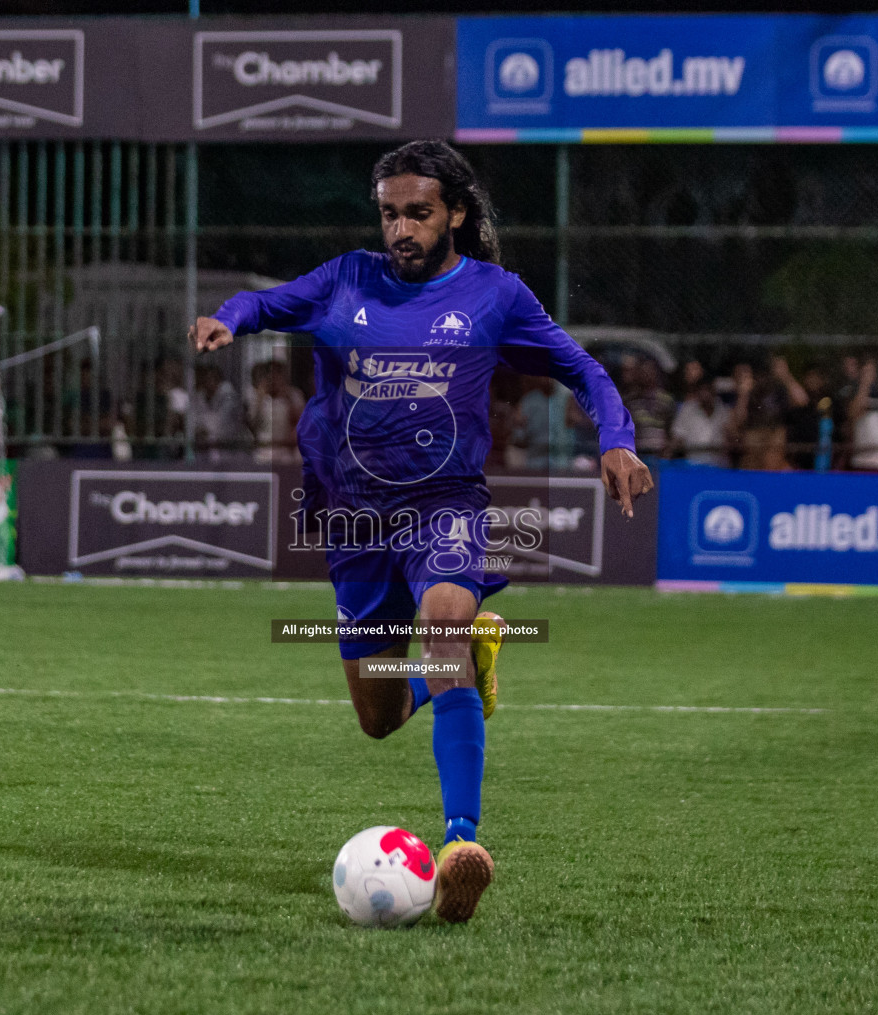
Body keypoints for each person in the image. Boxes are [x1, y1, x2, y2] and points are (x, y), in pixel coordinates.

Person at [189, 140, 649, 923]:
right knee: (377, 719)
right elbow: (263, 304)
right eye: (390, 214)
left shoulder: (495, 295)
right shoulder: (345, 279)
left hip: (446, 504)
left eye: (418, 214)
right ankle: (472, 654)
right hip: (354, 515)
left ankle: (461, 842)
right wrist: (226, 319)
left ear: (456, 215)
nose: (401, 229)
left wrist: (618, 437)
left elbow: (584, 368)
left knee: (440, 624)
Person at [671, 376, 734, 467]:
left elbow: (731, 437)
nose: (705, 394)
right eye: (702, 390)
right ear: (697, 392)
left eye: (708, 390)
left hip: (719, 466)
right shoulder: (687, 410)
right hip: (692, 466)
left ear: (714, 391)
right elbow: (677, 437)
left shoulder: (724, 411)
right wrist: (668, 456)